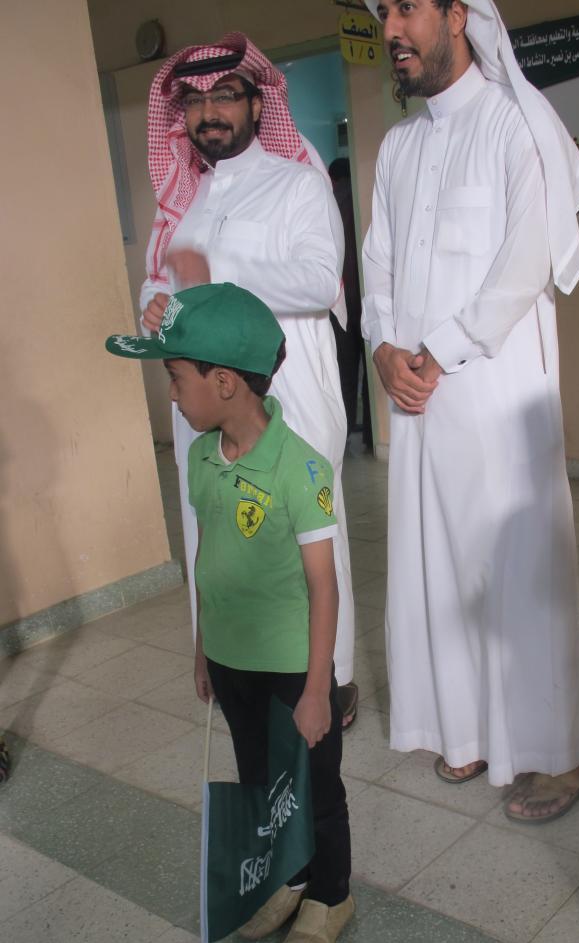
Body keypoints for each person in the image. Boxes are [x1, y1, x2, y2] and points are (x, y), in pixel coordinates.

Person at [361, 0, 579, 819]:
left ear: (458, 14)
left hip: (495, 396)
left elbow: (528, 259)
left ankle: (560, 755)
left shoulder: (514, 124)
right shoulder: (399, 146)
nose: (391, 29)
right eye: (382, 11)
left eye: (407, 7)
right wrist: (384, 348)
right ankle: (463, 731)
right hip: (418, 400)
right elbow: (378, 263)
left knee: (519, 573)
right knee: (437, 567)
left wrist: (439, 350)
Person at [106, 283, 354, 943]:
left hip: (292, 666)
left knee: (313, 788)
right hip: (230, 658)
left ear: (223, 382)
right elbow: (207, 557)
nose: (172, 394)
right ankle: (289, 876)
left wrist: (316, 689)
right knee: (259, 781)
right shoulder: (200, 457)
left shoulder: (300, 468)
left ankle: (331, 893)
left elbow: (324, 585)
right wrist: (201, 649)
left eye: (176, 378)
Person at [139, 33, 358, 727]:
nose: (209, 113)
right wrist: (157, 305)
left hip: (291, 389)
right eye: (195, 102)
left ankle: (331, 676)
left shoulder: (298, 183)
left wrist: (218, 276)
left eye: (225, 96)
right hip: (206, 402)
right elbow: (160, 282)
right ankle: (234, 661)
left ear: (257, 104)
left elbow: (320, 282)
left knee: (309, 533)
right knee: (220, 532)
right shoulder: (187, 200)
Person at [328, 157, 373, 451]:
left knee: (343, 373)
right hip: (368, 299)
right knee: (371, 372)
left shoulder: (329, 203)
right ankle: (371, 435)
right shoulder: (366, 201)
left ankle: (342, 436)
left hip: (341, 303)